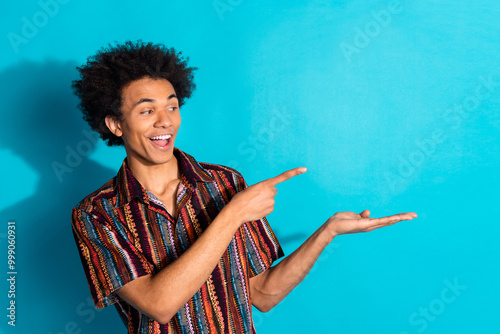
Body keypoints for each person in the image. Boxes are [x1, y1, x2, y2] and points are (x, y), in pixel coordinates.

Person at [71, 40, 417, 334]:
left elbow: (262, 294)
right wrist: (233, 214)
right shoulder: (96, 214)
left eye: (172, 106)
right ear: (116, 124)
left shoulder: (224, 183)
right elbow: (158, 305)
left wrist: (327, 232)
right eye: (147, 111)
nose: (165, 121)